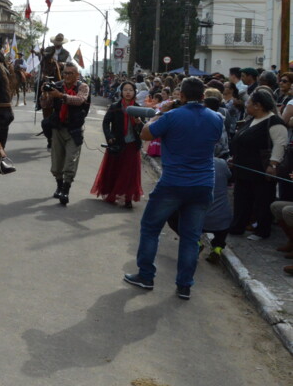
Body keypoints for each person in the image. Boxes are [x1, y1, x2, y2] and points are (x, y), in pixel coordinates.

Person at [123, 77, 224, 300]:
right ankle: (184, 285)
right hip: (203, 184)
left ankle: (146, 276)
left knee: (150, 228)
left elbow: (146, 133)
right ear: (203, 96)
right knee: (191, 236)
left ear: (182, 96)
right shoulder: (216, 118)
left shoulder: (172, 115)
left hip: (174, 183)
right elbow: (215, 140)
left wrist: (161, 112)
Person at [227, 87, 287, 240]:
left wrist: (272, 165)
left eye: (249, 103)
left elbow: (280, 145)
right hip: (243, 169)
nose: (246, 106)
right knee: (241, 199)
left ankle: (261, 230)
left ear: (258, 106)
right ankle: (238, 226)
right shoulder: (251, 120)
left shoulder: (275, 122)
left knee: (262, 201)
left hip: (261, 170)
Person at [39, 60, 90, 205]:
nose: (66, 76)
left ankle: (66, 190)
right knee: (56, 163)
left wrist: (61, 96)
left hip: (74, 130)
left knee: (70, 162)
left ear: (77, 74)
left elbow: (80, 100)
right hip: (58, 129)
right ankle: (59, 186)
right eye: (65, 73)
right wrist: (45, 94)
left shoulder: (83, 87)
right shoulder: (57, 86)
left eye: (70, 73)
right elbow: (45, 105)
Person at [91, 81, 143, 208]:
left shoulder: (138, 108)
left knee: (129, 172)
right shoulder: (115, 106)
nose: (128, 92)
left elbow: (143, 128)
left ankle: (128, 198)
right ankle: (112, 193)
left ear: (135, 92)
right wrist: (109, 137)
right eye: (125, 89)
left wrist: (138, 123)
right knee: (115, 169)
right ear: (121, 92)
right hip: (117, 144)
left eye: (131, 90)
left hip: (132, 144)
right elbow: (106, 123)